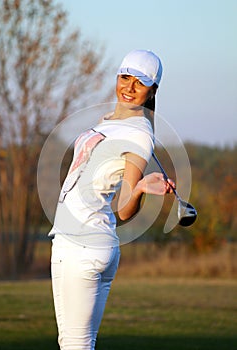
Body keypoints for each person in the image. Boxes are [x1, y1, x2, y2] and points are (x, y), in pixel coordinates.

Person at [49, 49, 175, 350]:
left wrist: (141, 188)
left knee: (74, 345)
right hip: (87, 243)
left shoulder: (139, 134)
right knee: (77, 343)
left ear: (152, 90)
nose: (129, 88)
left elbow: (124, 208)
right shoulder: (109, 121)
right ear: (117, 77)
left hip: (82, 244)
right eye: (125, 77)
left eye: (140, 83)